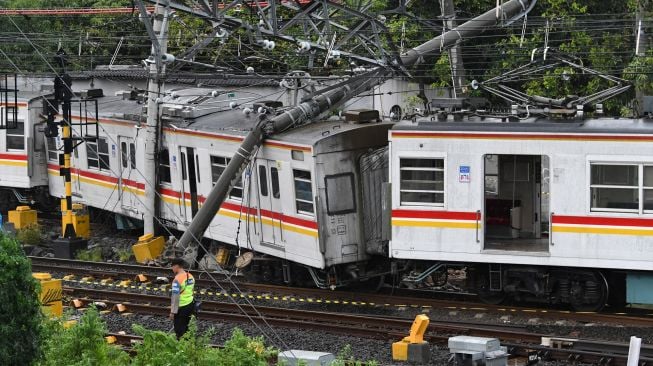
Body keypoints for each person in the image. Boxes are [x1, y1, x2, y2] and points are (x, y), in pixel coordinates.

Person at [169, 258, 195, 339]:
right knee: (187, 328)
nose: (172, 268)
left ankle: (181, 348)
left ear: (177, 266)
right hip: (191, 304)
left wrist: (172, 312)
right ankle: (187, 345)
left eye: (172, 266)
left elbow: (175, 297)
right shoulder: (190, 276)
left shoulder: (177, 279)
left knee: (179, 330)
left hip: (181, 307)